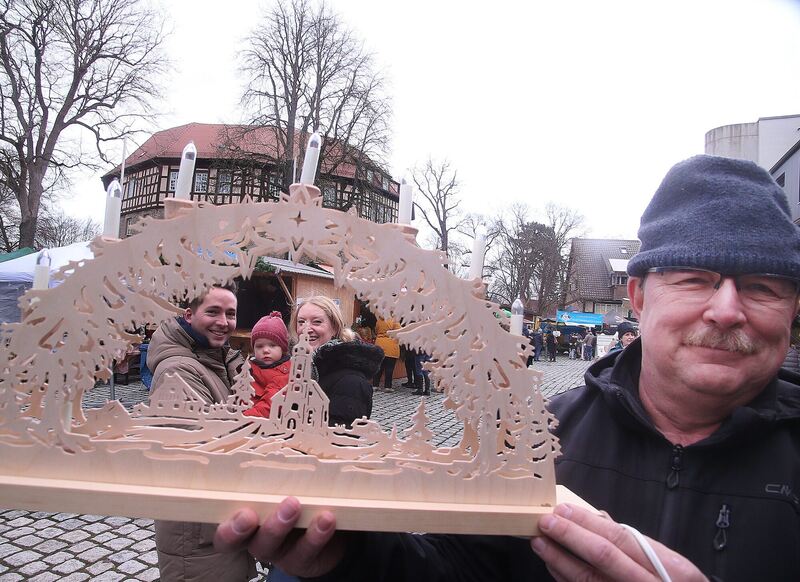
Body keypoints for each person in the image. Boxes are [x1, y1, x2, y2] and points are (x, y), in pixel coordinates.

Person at [215, 155, 800, 581]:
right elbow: (459, 568)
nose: (727, 310)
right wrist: (348, 556)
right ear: (640, 298)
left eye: (761, 286)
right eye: (696, 279)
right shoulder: (540, 435)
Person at [147, 284, 255, 581]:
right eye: (213, 311)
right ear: (189, 314)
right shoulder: (179, 371)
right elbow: (197, 451)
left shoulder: (219, 358)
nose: (223, 321)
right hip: (197, 531)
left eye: (230, 313)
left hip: (220, 521)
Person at [291, 296, 384, 427]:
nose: (306, 329)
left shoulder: (352, 381)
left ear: (334, 327)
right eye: (301, 322)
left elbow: (339, 441)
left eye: (316, 322)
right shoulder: (306, 368)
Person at [244, 311, 291, 418]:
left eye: (272, 345)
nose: (265, 350)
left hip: (260, 423)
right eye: (259, 346)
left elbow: (271, 402)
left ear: (282, 349)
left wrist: (244, 419)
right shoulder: (249, 368)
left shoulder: (285, 374)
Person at [373, 316, 401, 392]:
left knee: (379, 367)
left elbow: (376, 330)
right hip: (391, 345)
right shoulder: (394, 321)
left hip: (379, 345)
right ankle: (387, 387)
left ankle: (375, 385)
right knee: (389, 368)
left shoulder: (379, 320)